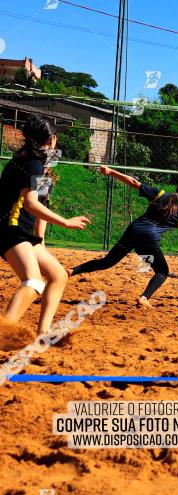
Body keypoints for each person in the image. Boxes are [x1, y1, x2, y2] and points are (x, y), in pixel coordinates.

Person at [69, 167, 178, 307]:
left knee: (106, 262)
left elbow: (133, 182)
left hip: (133, 230)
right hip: (148, 240)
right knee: (162, 271)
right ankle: (144, 298)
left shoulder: (160, 194)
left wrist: (112, 172)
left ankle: (71, 271)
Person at [0, 116, 90, 340]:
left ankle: (44, 333)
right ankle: (3, 332)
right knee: (33, 282)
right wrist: (66, 222)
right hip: (10, 230)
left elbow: (36, 205)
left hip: (22, 232)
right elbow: (31, 204)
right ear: (51, 139)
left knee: (58, 275)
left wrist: (40, 240)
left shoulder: (30, 161)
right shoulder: (32, 163)